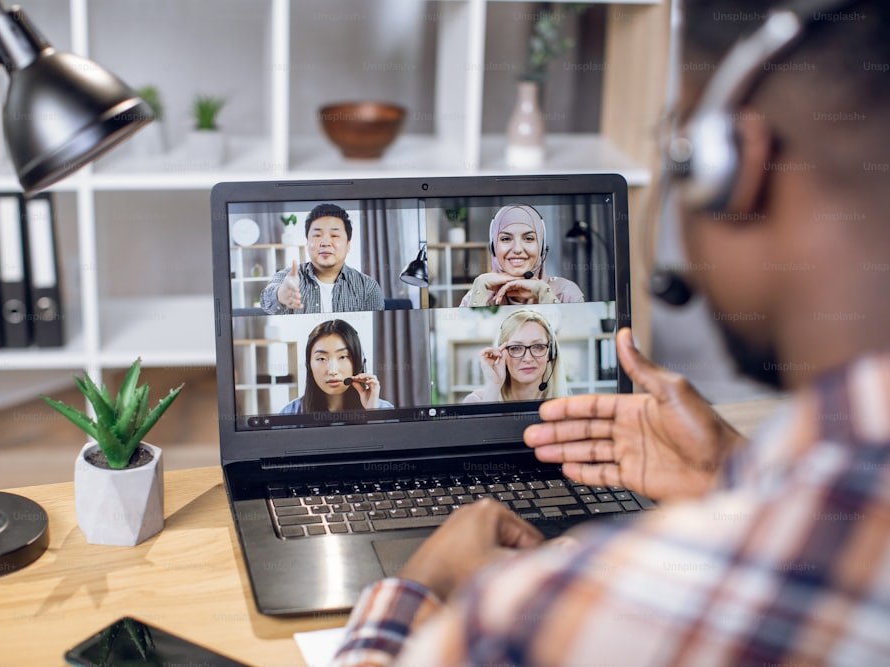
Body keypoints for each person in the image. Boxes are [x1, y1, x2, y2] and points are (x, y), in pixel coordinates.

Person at [333, 1, 890, 664]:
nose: (514, 249)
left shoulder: (537, 611)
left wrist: (424, 582)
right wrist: (731, 472)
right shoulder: (474, 295)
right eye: (502, 238)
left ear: (732, 170)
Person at [259, 203, 385, 314]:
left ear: (348, 244)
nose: (325, 242)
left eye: (334, 235)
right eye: (317, 235)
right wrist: (281, 295)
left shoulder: (368, 287)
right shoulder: (288, 277)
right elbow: (266, 302)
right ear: (307, 243)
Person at [460, 203, 584, 307]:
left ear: (542, 247)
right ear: (493, 247)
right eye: (506, 239)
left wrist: (545, 294)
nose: (517, 249)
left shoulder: (567, 293)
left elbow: (577, 335)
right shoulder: (477, 295)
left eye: (528, 238)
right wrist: (479, 290)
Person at [280, 319, 393, 414]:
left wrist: (372, 415)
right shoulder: (289, 412)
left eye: (343, 357)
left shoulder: (383, 409)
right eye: (322, 359)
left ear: (358, 361)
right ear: (309, 365)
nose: (332, 371)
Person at [463, 308, 567, 403]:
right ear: (501, 354)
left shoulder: (565, 405)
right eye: (516, 348)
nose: (528, 359)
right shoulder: (476, 400)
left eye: (538, 347)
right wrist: (493, 386)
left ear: (551, 353)